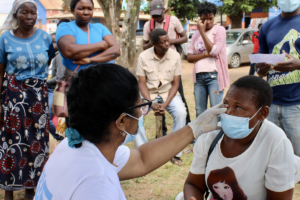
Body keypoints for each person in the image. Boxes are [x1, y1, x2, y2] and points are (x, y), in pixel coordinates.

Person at [34, 63, 227, 199]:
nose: (143, 112)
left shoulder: (73, 144)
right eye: (141, 106)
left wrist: (195, 128)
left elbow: (142, 159)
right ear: (122, 121)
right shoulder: (96, 184)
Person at [183, 76, 298, 200]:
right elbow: (193, 184)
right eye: (226, 104)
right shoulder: (210, 136)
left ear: (262, 113)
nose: (229, 113)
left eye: (239, 107)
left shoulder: (275, 142)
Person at [0, 0, 55, 199]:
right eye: (25, 12)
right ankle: (9, 190)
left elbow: (47, 61)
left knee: (36, 140)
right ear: (15, 15)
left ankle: (32, 189)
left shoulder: (45, 38)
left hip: (38, 97)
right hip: (13, 96)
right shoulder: (5, 39)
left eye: (33, 13)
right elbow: (0, 73)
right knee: (12, 141)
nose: (30, 17)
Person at [255, 0, 300, 156]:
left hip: (297, 105)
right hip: (271, 104)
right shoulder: (267, 26)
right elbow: (260, 70)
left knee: (298, 158)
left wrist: (298, 65)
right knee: (274, 156)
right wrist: (262, 67)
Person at [137, 28, 187, 165]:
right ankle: (143, 153)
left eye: (168, 41)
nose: (167, 44)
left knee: (181, 113)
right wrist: (149, 104)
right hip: (149, 94)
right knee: (136, 115)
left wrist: (165, 105)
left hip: (168, 93)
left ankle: (175, 153)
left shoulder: (175, 56)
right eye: (163, 42)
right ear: (153, 43)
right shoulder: (143, 57)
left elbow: (176, 84)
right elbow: (142, 84)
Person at [143, 0, 191, 138]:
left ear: (164, 11)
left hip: (171, 64)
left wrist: (168, 42)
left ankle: (185, 129)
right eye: (154, 16)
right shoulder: (148, 25)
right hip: (155, 65)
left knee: (179, 98)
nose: (157, 18)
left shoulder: (173, 20)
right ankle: (162, 133)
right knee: (158, 99)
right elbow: (144, 46)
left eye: (159, 15)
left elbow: (184, 38)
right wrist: (155, 44)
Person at [187, 2, 229, 118]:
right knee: (200, 111)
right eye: (204, 19)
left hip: (214, 77)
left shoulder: (220, 30)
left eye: (210, 18)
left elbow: (214, 51)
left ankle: (216, 136)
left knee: (216, 111)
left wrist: (202, 32)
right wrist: (205, 54)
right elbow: (189, 57)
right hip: (199, 77)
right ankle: (202, 136)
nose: (208, 22)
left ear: (214, 17)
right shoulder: (196, 34)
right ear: (200, 19)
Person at [55, 0, 120, 72]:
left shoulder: (100, 28)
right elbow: (69, 51)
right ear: (73, 10)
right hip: (77, 78)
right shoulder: (65, 27)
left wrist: (90, 60)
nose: (86, 12)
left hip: (101, 77)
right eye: (81, 8)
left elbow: (116, 51)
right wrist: (101, 45)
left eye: (90, 9)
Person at [47, 19, 71, 142]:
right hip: (58, 91)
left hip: (72, 91)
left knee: (70, 119)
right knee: (57, 118)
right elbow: (56, 77)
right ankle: (61, 140)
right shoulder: (57, 56)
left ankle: (68, 140)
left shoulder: (76, 52)